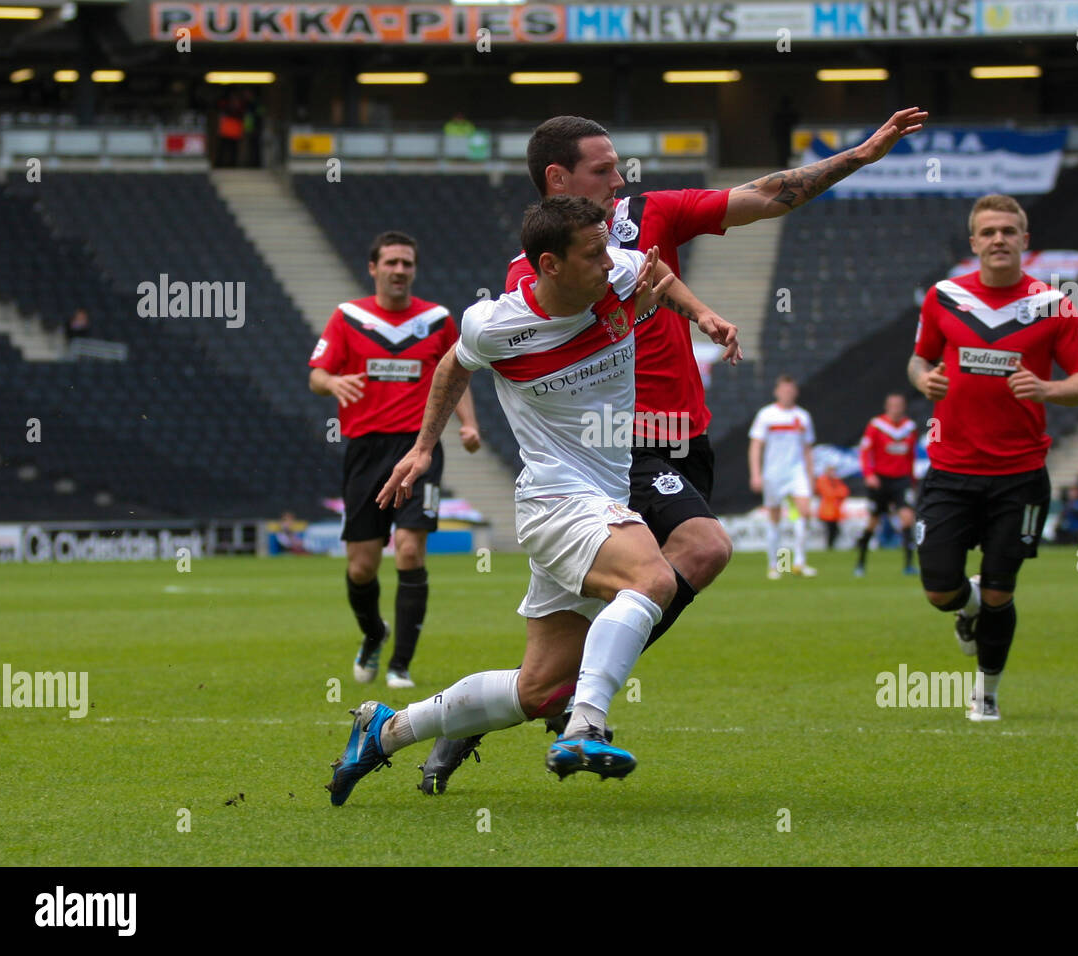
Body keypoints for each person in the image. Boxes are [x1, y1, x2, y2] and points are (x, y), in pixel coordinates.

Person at [416, 106, 928, 794]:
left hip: (687, 436)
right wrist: (439, 441)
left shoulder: (649, 215)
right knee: (704, 549)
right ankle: (580, 708)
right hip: (622, 448)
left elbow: (768, 194)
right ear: (559, 178)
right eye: (604, 168)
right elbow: (495, 363)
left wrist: (859, 156)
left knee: (589, 634)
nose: (621, 176)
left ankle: (512, 705)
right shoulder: (535, 276)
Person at [325, 197, 737, 803]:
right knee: (652, 578)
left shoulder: (618, 274)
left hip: (601, 495)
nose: (610, 260)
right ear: (549, 264)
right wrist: (421, 448)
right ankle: (584, 726)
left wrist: (703, 315)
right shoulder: (495, 323)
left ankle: (386, 730)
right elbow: (453, 367)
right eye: (593, 252)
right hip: (555, 501)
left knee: (537, 688)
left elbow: (657, 274)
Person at [907, 194, 1078, 721]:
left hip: (1019, 477)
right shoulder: (943, 297)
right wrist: (924, 379)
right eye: (988, 231)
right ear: (973, 242)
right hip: (950, 470)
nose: (998, 239)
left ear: (1024, 240)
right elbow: (919, 359)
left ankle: (986, 692)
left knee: (999, 591)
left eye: (1008, 231)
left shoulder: (1052, 305)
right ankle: (963, 607)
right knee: (939, 589)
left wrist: (1046, 389)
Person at [309, 230, 482, 690]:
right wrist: (333, 385)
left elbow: (455, 375)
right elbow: (317, 375)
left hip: (418, 448)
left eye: (407, 263)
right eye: (391, 262)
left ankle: (400, 665)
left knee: (409, 549)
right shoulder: (348, 317)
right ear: (373, 268)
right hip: (365, 449)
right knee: (361, 566)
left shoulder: (439, 319)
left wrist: (468, 423)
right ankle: (374, 633)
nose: (400, 270)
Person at [749, 375, 818, 578]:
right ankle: (777, 564)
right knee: (775, 518)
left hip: (796, 472)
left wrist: (811, 475)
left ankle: (798, 561)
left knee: (804, 512)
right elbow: (756, 446)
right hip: (774, 473)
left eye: (791, 390)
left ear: (795, 392)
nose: (787, 393)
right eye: (784, 390)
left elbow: (807, 449)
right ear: (777, 392)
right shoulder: (767, 415)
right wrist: (756, 473)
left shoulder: (803, 417)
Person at [853, 392, 919, 576]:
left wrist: (911, 480)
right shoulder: (876, 426)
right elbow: (865, 451)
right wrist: (868, 474)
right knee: (873, 522)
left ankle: (908, 565)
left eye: (899, 405)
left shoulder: (909, 428)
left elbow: (910, 456)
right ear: (887, 406)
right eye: (893, 405)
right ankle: (860, 563)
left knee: (907, 518)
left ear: (903, 407)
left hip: (901, 480)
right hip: (881, 480)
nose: (896, 409)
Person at [815, 465, 849, 550]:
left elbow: (845, 492)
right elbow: (829, 493)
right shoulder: (822, 480)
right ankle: (829, 547)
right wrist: (837, 493)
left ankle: (831, 547)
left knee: (835, 531)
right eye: (831, 471)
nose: (833, 473)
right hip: (826, 512)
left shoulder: (837, 481)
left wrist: (836, 493)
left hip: (836, 512)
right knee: (829, 531)